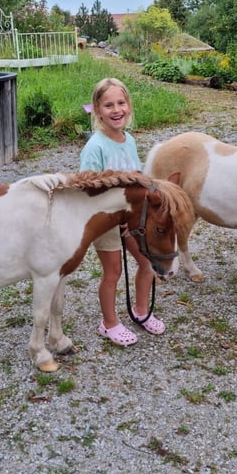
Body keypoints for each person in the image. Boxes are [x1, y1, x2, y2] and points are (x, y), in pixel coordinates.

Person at [80, 77, 166, 346]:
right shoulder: (95, 147)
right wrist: (121, 181)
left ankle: (140, 311)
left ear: (128, 105)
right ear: (97, 110)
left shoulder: (128, 140)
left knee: (147, 262)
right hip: (105, 220)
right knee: (113, 272)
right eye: (108, 105)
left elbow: (134, 177)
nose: (116, 110)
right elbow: (88, 188)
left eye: (121, 102)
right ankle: (109, 323)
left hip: (130, 219)